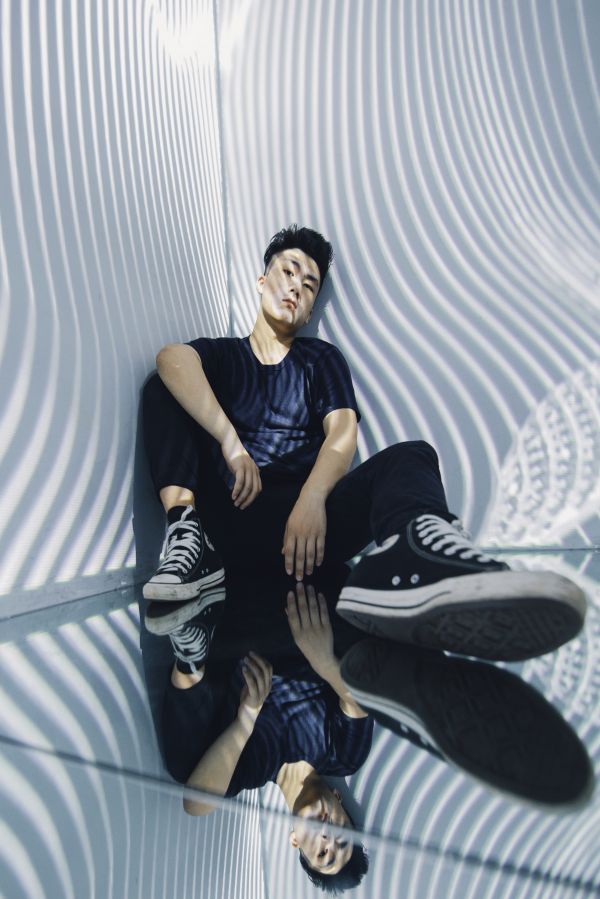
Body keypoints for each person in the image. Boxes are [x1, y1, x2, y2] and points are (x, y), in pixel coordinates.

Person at [142, 223, 586, 665]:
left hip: (308, 535)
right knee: (162, 385)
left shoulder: (320, 359)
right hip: (232, 524)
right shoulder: (223, 355)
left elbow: (342, 433)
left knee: (413, 454)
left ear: (311, 308)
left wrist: (312, 499)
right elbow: (171, 358)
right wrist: (231, 443)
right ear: (262, 281)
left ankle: (427, 559)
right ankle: (186, 537)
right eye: (288, 272)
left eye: (309, 285)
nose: (296, 288)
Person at [160, 581, 372, 892]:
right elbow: (358, 702)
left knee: (187, 772)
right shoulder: (341, 756)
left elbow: (194, 804)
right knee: (357, 665)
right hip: (291, 607)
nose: (328, 838)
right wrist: (325, 661)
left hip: (226, 631)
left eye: (323, 854)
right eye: (342, 838)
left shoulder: (252, 770)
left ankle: (190, 658)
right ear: (339, 801)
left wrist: (245, 721)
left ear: (295, 841)